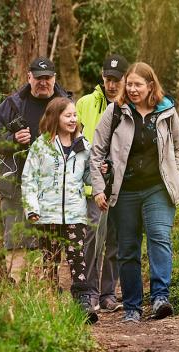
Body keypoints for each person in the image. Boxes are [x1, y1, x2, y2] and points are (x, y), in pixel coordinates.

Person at [89, 62, 179, 323]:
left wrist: (176, 173)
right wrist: (99, 188)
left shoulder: (166, 111)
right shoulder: (116, 112)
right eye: (129, 84)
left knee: (159, 237)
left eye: (137, 85)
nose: (132, 89)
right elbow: (96, 151)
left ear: (150, 86)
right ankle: (132, 306)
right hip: (125, 191)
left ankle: (159, 298)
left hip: (158, 188)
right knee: (128, 248)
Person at [0, 57, 71, 283]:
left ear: (54, 79)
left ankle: (49, 287)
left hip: (54, 184)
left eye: (48, 78)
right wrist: (12, 139)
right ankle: (16, 290)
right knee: (16, 238)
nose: (43, 82)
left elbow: (78, 138)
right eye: (38, 78)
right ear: (29, 78)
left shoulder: (66, 104)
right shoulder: (13, 104)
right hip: (17, 183)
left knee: (51, 239)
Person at [21, 97, 98, 323]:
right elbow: (29, 180)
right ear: (55, 117)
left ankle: (83, 302)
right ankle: (50, 298)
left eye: (75, 115)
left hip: (75, 213)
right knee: (50, 258)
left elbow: (88, 177)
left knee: (77, 257)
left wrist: (102, 171)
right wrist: (32, 209)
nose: (73, 119)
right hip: (47, 214)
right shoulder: (40, 146)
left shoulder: (83, 146)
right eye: (68, 115)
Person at [76, 54, 128, 313]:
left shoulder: (130, 105)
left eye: (116, 80)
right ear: (102, 77)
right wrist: (93, 167)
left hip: (122, 185)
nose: (111, 85)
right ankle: (90, 292)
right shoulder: (85, 103)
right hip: (92, 186)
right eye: (108, 79)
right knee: (92, 238)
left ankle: (109, 293)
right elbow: (74, 141)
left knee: (115, 240)